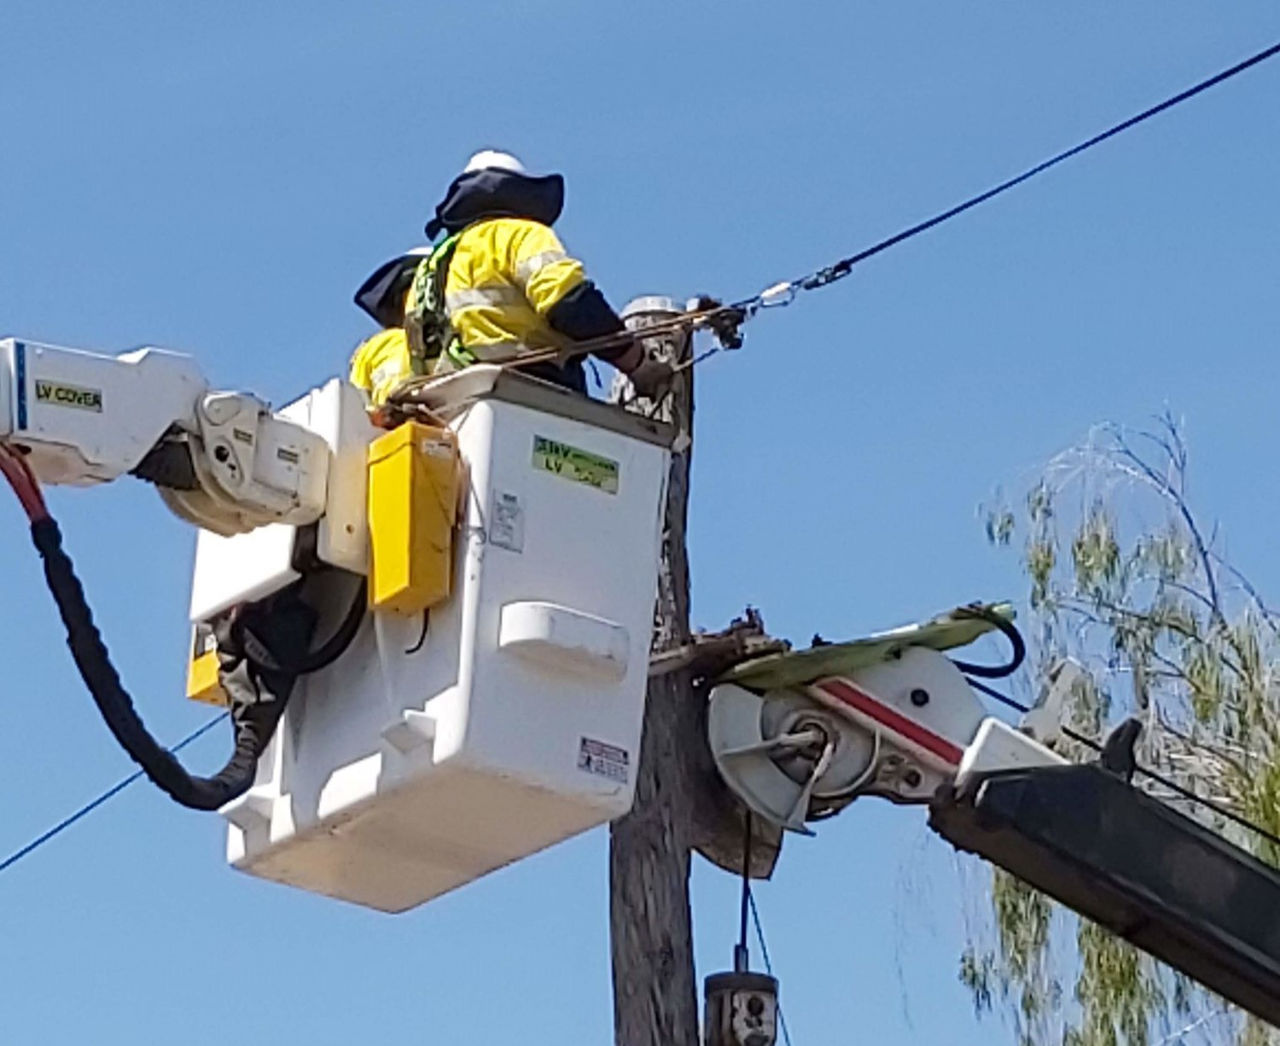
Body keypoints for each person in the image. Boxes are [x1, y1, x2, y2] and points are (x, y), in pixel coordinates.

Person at [352, 150, 671, 405]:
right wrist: (636, 362)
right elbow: (570, 302)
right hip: (532, 396)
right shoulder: (519, 235)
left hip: (453, 408)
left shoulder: (433, 268)